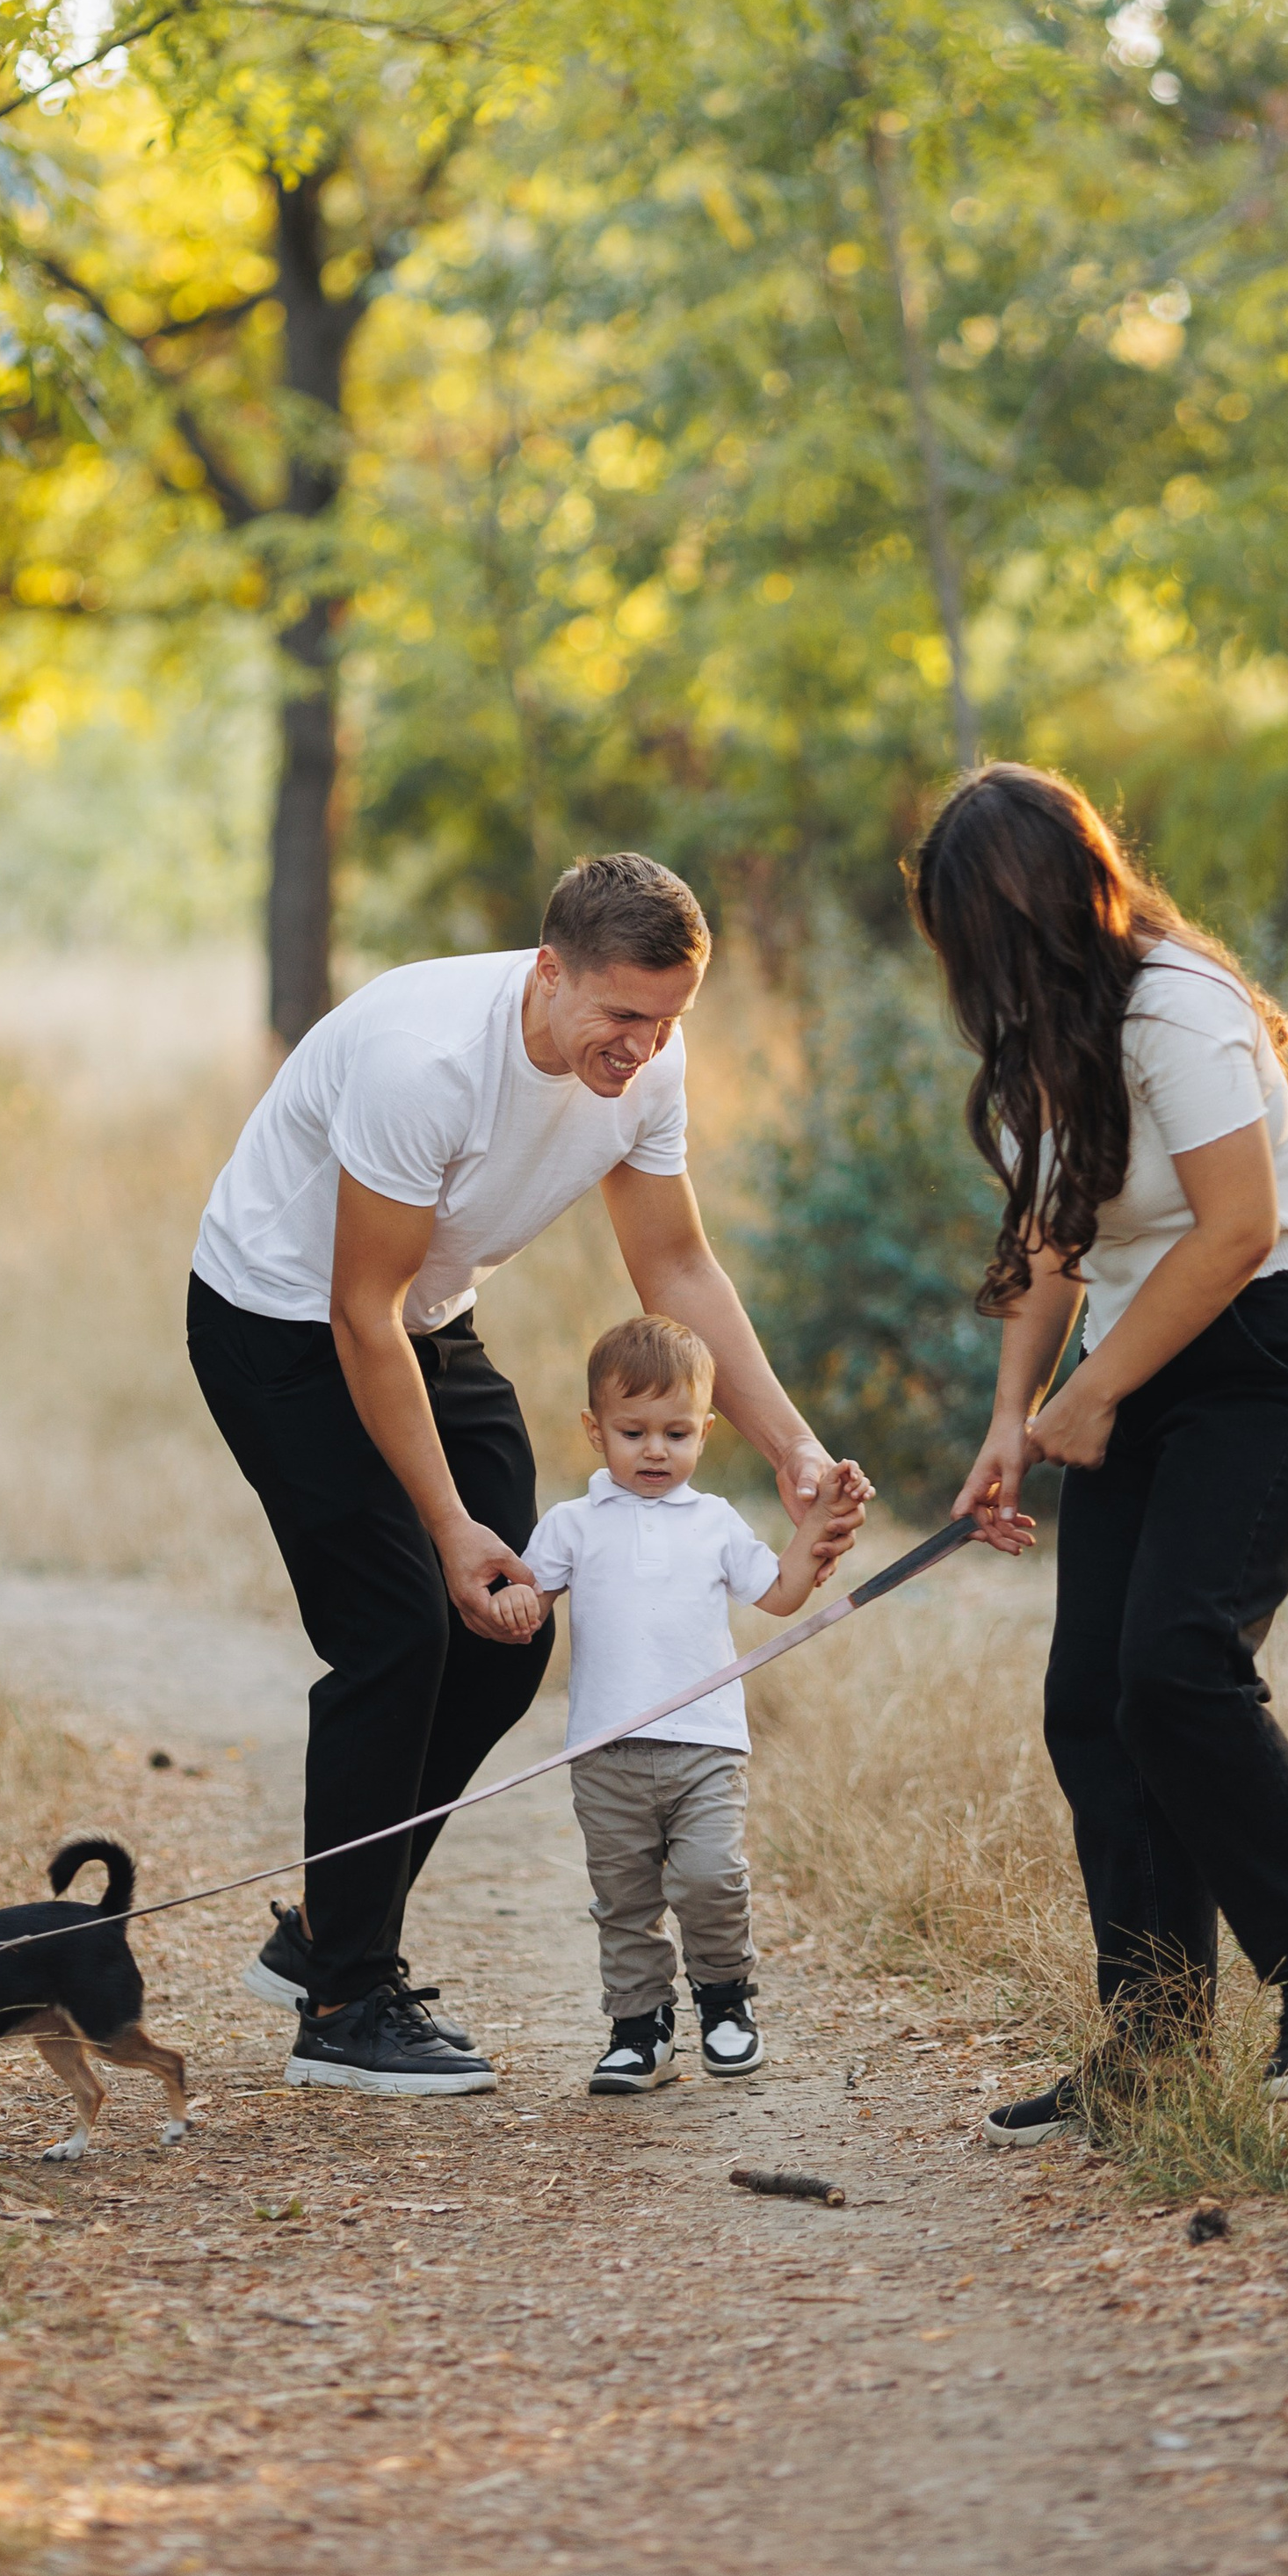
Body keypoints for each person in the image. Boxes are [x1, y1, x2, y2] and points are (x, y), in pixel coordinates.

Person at [186, 853, 868, 2103]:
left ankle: (329, 1930)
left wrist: (793, 1449)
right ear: (548, 973)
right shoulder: (425, 1061)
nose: (645, 1047)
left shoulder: (645, 1058)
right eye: (621, 1016)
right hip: (281, 1326)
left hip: (425, 1321)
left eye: (669, 1021)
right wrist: (446, 1526)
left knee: (506, 1632)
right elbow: (357, 1312)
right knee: (399, 1627)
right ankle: (343, 2003)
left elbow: (674, 1264)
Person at [908, 763, 1288, 2143]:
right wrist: (1017, 1415)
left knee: (1179, 1665)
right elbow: (1060, 1247)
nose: (983, 967)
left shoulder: (1179, 1004)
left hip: (1271, 1357)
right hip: (1147, 1370)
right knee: (1093, 1698)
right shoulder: (1042, 1033)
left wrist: (1097, 1393)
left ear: (1066, 895)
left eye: (995, 930)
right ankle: (1158, 2040)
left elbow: (1235, 1228)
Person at [496, 1314, 853, 2095]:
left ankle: (726, 2004)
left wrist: (819, 1526)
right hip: (606, 1752)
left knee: (710, 1878)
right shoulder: (571, 1525)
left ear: (707, 1432)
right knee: (624, 1899)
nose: (656, 1451)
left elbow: (782, 1594)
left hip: (705, 1745)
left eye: (677, 1432)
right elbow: (527, 1599)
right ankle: (639, 2030)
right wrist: (517, 1609)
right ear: (596, 1431)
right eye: (634, 1432)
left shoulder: (716, 1523)